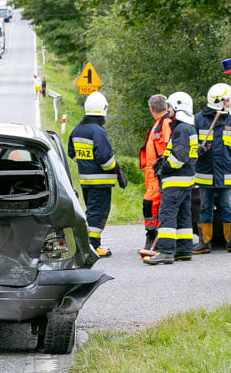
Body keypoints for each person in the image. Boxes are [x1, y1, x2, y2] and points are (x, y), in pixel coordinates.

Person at [68, 91, 127, 257]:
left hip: (86, 181)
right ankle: (93, 247)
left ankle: (87, 244)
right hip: (101, 183)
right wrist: (116, 169)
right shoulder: (98, 131)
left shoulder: (77, 129)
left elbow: (72, 154)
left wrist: (87, 164)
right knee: (97, 214)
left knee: (91, 212)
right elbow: (105, 159)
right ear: (103, 109)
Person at [144, 92, 198, 265]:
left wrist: (163, 167)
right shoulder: (188, 128)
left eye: (170, 107)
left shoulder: (181, 129)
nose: (168, 110)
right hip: (185, 179)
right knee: (183, 214)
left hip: (175, 179)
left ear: (177, 108)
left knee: (167, 213)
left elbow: (179, 157)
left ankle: (166, 251)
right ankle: (183, 250)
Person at [192, 83, 231, 254]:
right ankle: (204, 243)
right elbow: (190, 144)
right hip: (205, 174)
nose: (230, 103)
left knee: (228, 207)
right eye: (228, 100)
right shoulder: (198, 120)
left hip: (226, 174)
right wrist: (197, 148)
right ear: (218, 101)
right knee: (205, 207)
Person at [139, 94, 171, 257]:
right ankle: (152, 236)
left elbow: (168, 147)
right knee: (152, 205)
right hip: (153, 173)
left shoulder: (165, 123)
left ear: (151, 109)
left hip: (158, 173)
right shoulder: (159, 124)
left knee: (150, 204)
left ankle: (153, 236)